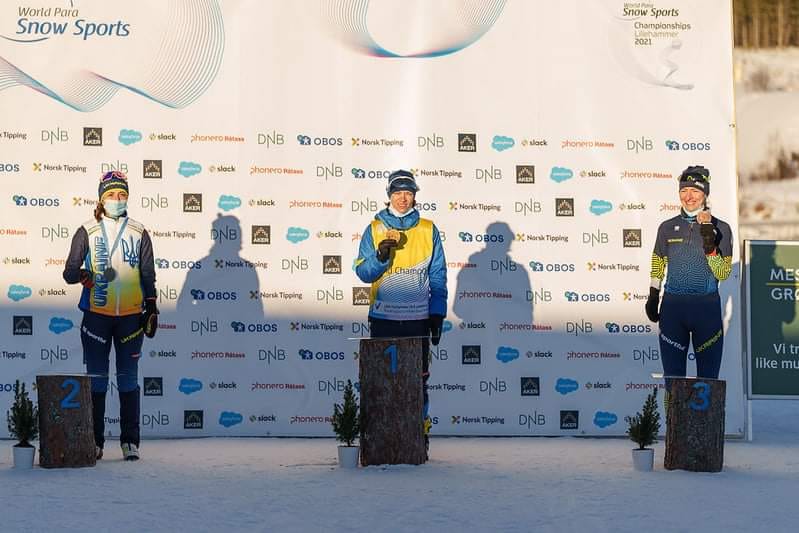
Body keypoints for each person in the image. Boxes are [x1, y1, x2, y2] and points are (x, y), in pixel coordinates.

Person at [63, 170, 158, 461]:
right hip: (96, 317)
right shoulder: (86, 229)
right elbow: (68, 272)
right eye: (111, 195)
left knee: (129, 380)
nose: (117, 200)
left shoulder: (139, 231)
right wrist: (82, 275)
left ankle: (131, 442)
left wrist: (151, 305)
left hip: (131, 318)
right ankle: (95, 442)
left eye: (122, 195)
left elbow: (147, 274)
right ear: (101, 199)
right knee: (98, 381)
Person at [355, 170, 447, 459]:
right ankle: (380, 442)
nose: (403, 198)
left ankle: (418, 439)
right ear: (389, 196)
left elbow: (438, 275)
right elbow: (363, 272)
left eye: (408, 193)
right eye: (398, 193)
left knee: (418, 382)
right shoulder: (374, 228)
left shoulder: (428, 228)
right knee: (380, 381)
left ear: (415, 195)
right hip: (383, 317)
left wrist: (437, 314)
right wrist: (380, 256)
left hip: (417, 318)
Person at [645, 165, 733, 403]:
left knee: (708, 382)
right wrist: (654, 294)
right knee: (672, 382)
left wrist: (708, 239)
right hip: (674, 311)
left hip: (707, 311)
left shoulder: (721, 228)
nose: (689, 196)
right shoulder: (666, 227)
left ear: (705, 193)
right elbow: (658, 260)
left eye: (695, 190)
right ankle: (674, 438)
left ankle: (705, 438)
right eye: (685, 190)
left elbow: (723, 273)